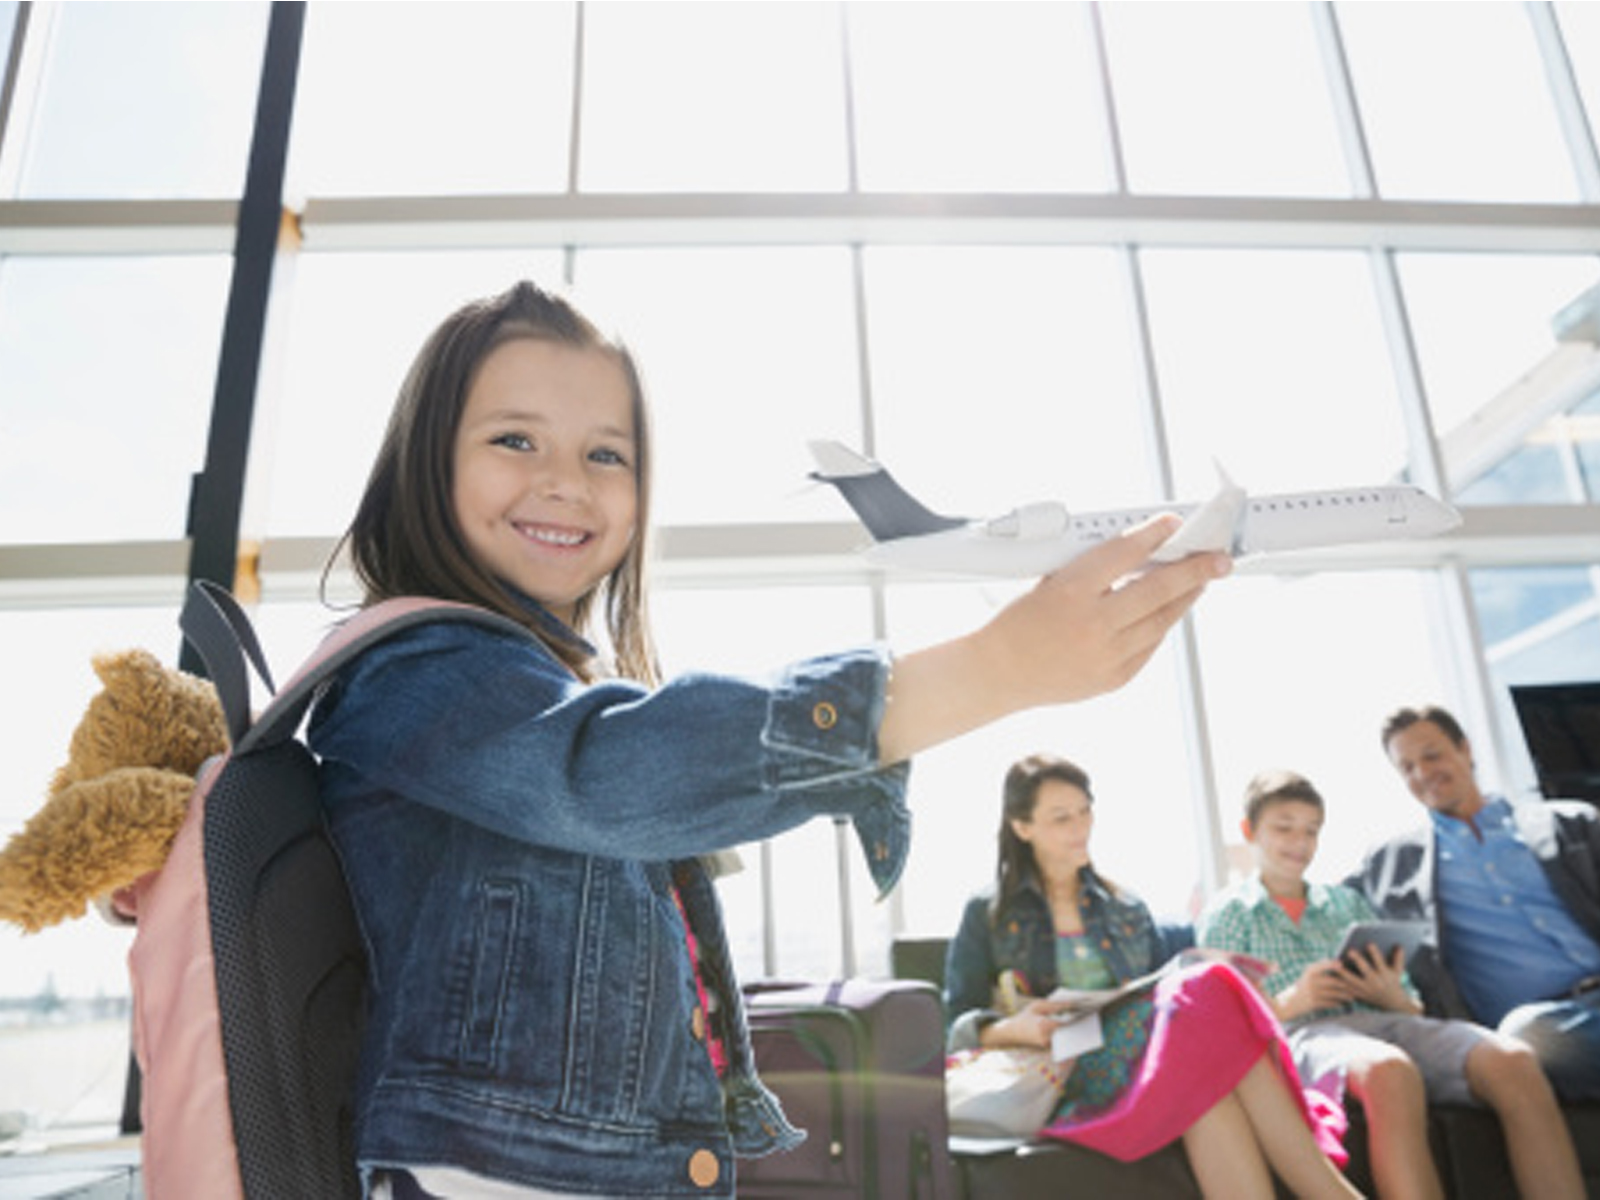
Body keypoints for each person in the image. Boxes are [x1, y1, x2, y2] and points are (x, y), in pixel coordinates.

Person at [303, 280, 1230, 1199]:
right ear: (428, 461)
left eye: (607, 454)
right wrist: (992, 670)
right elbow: (605, 771)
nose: (566, 483)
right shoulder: (418, 667)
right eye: (514, 440)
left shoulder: (526, 683)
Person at [944, 753, 1361, 1200]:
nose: (1080, 827)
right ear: (1022, 827)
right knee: (1210, 988)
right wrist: (1016, 1027)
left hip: (1138, 1057)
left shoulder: (1125, 906)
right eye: (1061, 818)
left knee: (1208, 1087)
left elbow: (1158, 997)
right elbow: (956, 1024)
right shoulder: (989, 913)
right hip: (1062, 1068)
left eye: (1085, 811)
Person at [1198, 769, 1583, 1200]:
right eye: (1284, 829)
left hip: (1380, 1021)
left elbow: (1410, 1005)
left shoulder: (1347, 903)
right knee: (1388, 1070)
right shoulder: (1229, 913)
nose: (1299, 843)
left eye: (1311, 831)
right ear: (1249, 831)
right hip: (1299, 1036)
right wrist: (1292, 1002)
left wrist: (1390, 995)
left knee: (1513, 1059)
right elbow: (1221, 1026)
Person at [1346, 704, 1600, 1104]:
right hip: (1545, 1031)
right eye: (1407, 767)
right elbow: (1308, 901)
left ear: (1465, 750)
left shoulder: (1570, 822)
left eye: (1432, 755)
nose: (1423, 773)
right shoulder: (1391, 865)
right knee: (1525, 1033)